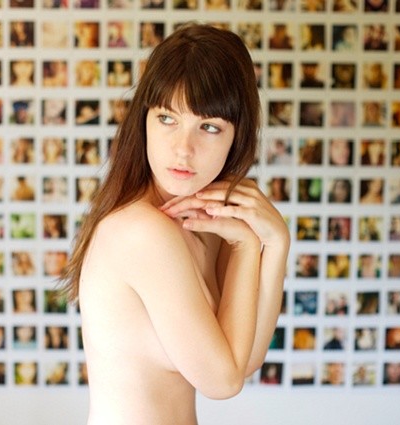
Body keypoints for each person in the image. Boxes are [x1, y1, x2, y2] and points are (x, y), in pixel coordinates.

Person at [61, 24, 289, 423]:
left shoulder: (203, 225)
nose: (184, 149)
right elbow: (223, 381)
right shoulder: (141, 231)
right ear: (144, 120)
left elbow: (246, 357)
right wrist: (249, 246)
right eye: (167, 118)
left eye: (209, 127)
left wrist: (277, 243)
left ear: (237, 138)